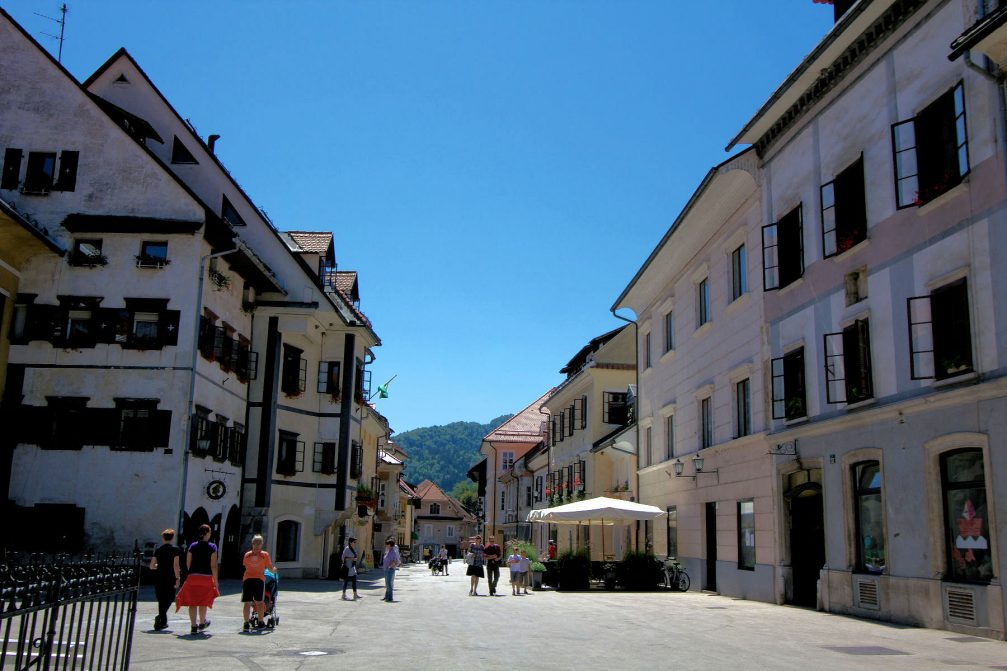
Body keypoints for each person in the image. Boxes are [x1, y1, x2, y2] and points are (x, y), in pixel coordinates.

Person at [175, 524, 219, 635]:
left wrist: (192, 572)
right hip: (206, 578)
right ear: (207, 533)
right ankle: (202, 622)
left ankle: (193, 625)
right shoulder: (212, 547)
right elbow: (213, 565)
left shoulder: (192, 546)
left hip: (193, 577)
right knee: (203, 602)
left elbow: (188, 563)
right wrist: (216, 580)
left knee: (192, 602)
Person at [149, 528, 181, 630]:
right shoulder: (175, 550)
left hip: (159, 576)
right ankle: (161, 619)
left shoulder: (158, 550)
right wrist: (177, 577)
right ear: (172, 538)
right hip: (170, 576)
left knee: (161, 599)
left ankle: (161, 620)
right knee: (170, 598)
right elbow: (176, 565)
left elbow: (151, 566)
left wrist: (159, 565)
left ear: (163, 538)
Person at [241, 534, 274, 631]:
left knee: (247, 602)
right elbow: (269, 567)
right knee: (259, 602)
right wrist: (274, 570)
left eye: (258, 543)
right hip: (258, 580)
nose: (257, 545)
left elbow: (245, 566)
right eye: (256, 543)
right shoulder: (265, 555)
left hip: (248, 579)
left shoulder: (247, 555)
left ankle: (246, 623)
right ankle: (260, 622)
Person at [382, 537, 400, 602]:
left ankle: (390, 597)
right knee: (387, 583)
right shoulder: (388, 551)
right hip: (386, 569)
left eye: (387, 544)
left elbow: (394, 561)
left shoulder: (393, 551)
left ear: (389, 545)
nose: (386, 546)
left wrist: (390, 566)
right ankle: (387, 596)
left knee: (389, 583)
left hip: (390, 569)